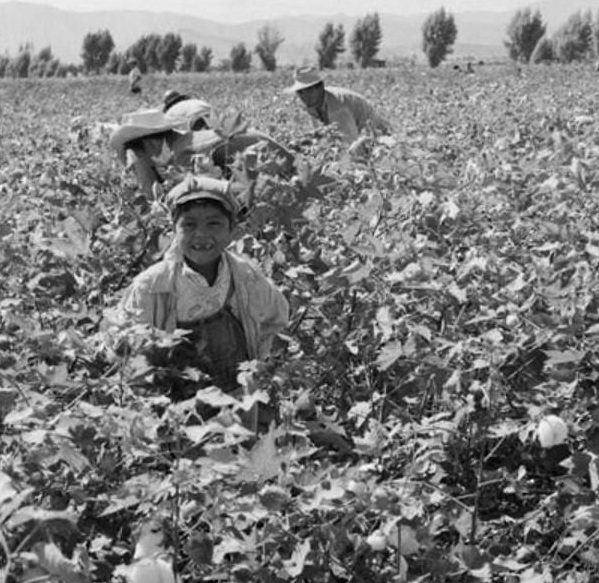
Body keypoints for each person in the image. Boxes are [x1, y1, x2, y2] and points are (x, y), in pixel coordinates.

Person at [115, 176, 289, 391]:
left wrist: (264, 363)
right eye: (189, 225)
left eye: (214, 224)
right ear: (174, 229)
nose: (201, 234)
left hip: (239, 395)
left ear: (232, 229)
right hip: (175, 405)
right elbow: (129, 351)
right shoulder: (151, 285)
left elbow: (276, 317)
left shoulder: (245, 275)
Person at [109, 109, 294, 204]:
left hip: (279, 176)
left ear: (150, 145)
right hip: (281, 163)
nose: (133, 165)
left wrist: (138, 165)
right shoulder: (188, 140)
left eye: (133, 156)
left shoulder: (183, 157)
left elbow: (152, 196)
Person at [284, 66, 390, 143]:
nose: (303, 95)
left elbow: (350, 142)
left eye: (307, 90)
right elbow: (319, 134)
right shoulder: (312, 104)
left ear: (319, 88)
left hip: (378, 137)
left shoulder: (338, 107)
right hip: (357, 134)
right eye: (300, 92)